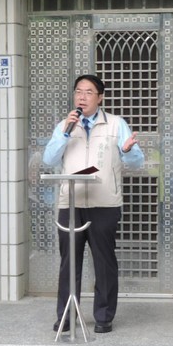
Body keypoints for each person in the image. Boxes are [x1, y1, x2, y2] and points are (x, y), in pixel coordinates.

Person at [42, 74, 144, 333]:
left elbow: (136, 163)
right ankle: (66, 316)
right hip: (71, 203)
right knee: (69, 263)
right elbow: (48, 159)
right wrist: (65, 132)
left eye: (88, 92)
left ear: (100, 97)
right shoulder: (65, 125)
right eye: (78, 91)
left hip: (105, 204)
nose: (82, 97)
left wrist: (129, 150)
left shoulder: (116, 124)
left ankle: (104, 317)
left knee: (104, 261)